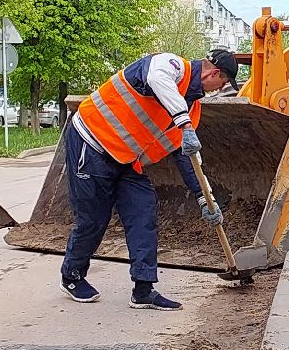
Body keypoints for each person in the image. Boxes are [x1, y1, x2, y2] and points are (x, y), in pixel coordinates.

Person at [61, 49, 240, 309]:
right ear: (214, 73)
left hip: (126, 160)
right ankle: (72, 275)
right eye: (221, 83)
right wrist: (184, 123)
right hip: (92, 142)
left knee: (143, 211)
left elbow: (187, 158)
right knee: (93, 219)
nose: (218, 89)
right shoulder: (171, 66)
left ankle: (143, 289)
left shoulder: (193, 109)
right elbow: (156, 79)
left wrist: (205, 198)